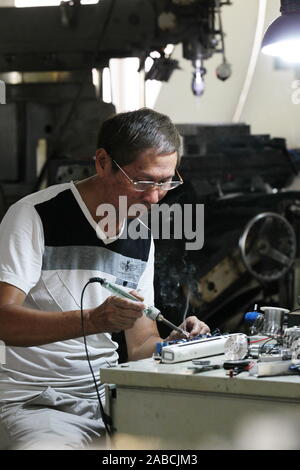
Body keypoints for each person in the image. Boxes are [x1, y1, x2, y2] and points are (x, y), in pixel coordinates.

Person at [0, 108, 209, 450]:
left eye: (165, 182)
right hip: (37, 402)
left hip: (109, 400)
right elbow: (3, 320)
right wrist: (94, 320)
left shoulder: (140, 235)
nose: (155, 197)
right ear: (102, 162)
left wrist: (174, 346)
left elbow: (140, 342)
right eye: (143, 181)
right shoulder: (35, 216)